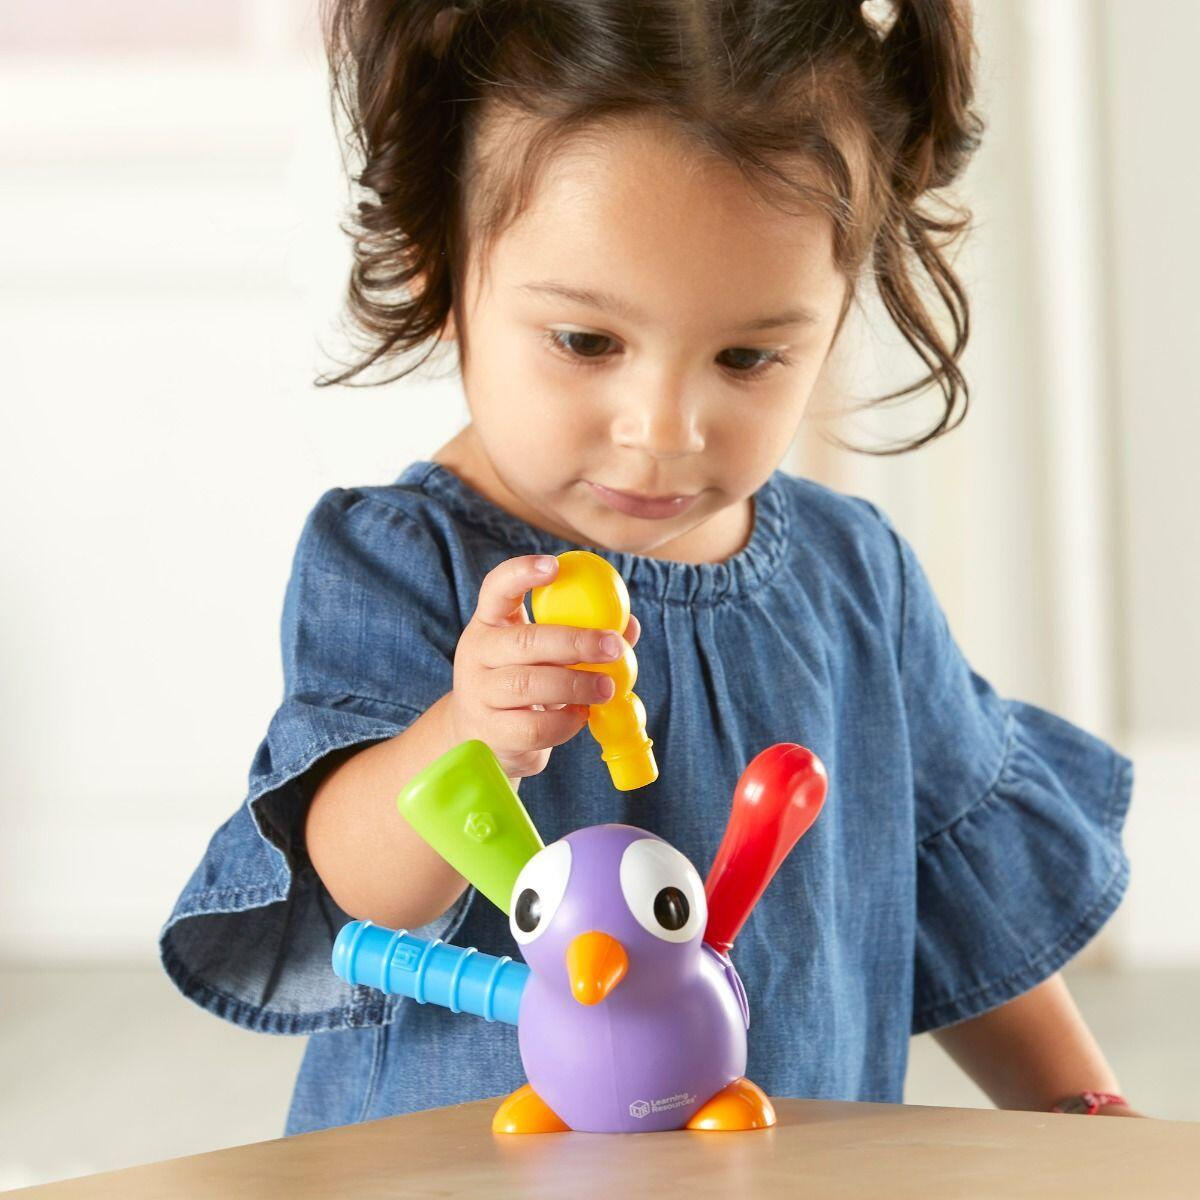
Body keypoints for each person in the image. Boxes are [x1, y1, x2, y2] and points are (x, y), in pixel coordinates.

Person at [159, 0, 1142, 1134]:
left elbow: (964, 899)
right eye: (588, 343)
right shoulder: (402, 561)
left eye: (748, 356)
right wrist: (469, 736)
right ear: (441, 267)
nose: (664, 430)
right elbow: (351, 887)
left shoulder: (856, 578)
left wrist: (1079, 1103)